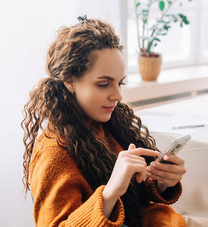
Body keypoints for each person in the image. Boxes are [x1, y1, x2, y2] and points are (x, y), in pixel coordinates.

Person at [22, 16, 187, 227]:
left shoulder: (108, 125)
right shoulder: (53, 153)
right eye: (103, 84)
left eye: (120, 83)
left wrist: (163, 182)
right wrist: (109, 193)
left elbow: (133, 198)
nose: (118, 95)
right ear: (70, 81)